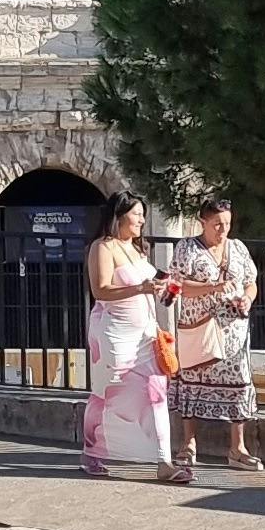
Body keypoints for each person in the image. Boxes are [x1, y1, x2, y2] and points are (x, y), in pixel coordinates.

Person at [82, 194, 184, 481]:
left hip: (145, 334)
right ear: (119, 216)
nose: (141, 220)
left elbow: (150, 285)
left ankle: (164, 461)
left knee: (156, 392)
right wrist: (140, 289)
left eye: (143, 215)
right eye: (137, 214)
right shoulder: (103, 247)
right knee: (107, 392)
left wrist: (165, 288)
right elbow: (101, 290)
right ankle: (93, 452)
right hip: (114, 334)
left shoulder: (138, 250)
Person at [167, 195, 261, 474]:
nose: (223, 230)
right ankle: (188, 443)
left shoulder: (238, 248)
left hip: (233, 331)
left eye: (227, 224)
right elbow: (178, 284)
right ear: (203, 222)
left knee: (239, 382)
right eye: (217, 224)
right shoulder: (187, 248)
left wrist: (247, 298)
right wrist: (213, 287)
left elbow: (250, 282)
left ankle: (238, 447)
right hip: (200, 327)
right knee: (194, 379)